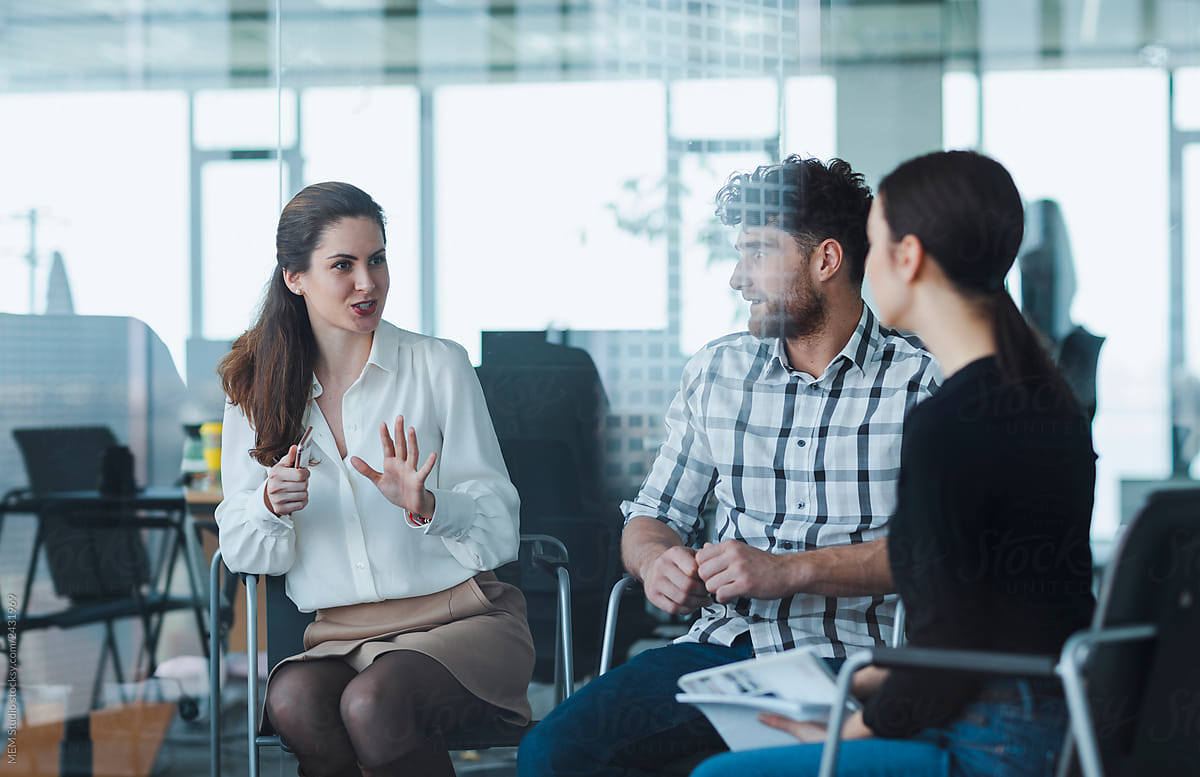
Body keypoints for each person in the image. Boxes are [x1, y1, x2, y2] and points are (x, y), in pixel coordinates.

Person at [518, 156, 940, 776]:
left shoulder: (925, 383)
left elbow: (936, 558)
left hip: (856, 664)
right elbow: (652, 517)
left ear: (826, 260)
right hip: (717, 653)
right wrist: (657, 561)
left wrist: (786, 571)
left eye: (758, 252)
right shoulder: (717, 371)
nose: (739, 277)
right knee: (553, 752)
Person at [690, 151, 1097, 777]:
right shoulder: (1045, 399)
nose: (865, 266)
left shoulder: (949, 422)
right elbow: (984, 620)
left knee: (720, 775)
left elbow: (946, 656)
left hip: (990, 737)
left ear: (908, 259)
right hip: (1056, 719)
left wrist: (832, 731)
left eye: (874, 247)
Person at [215, 181, 534, 777]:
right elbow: (245, 549)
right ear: (295, 278)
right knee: (293, 700)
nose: (368, 283)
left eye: (377, 259)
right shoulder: (255, 389)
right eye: (343, 265)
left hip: (464, 619)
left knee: (372, 702)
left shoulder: (438, 364)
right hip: (340, 636)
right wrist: (268, 505)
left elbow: (498, 530)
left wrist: (430, 505)